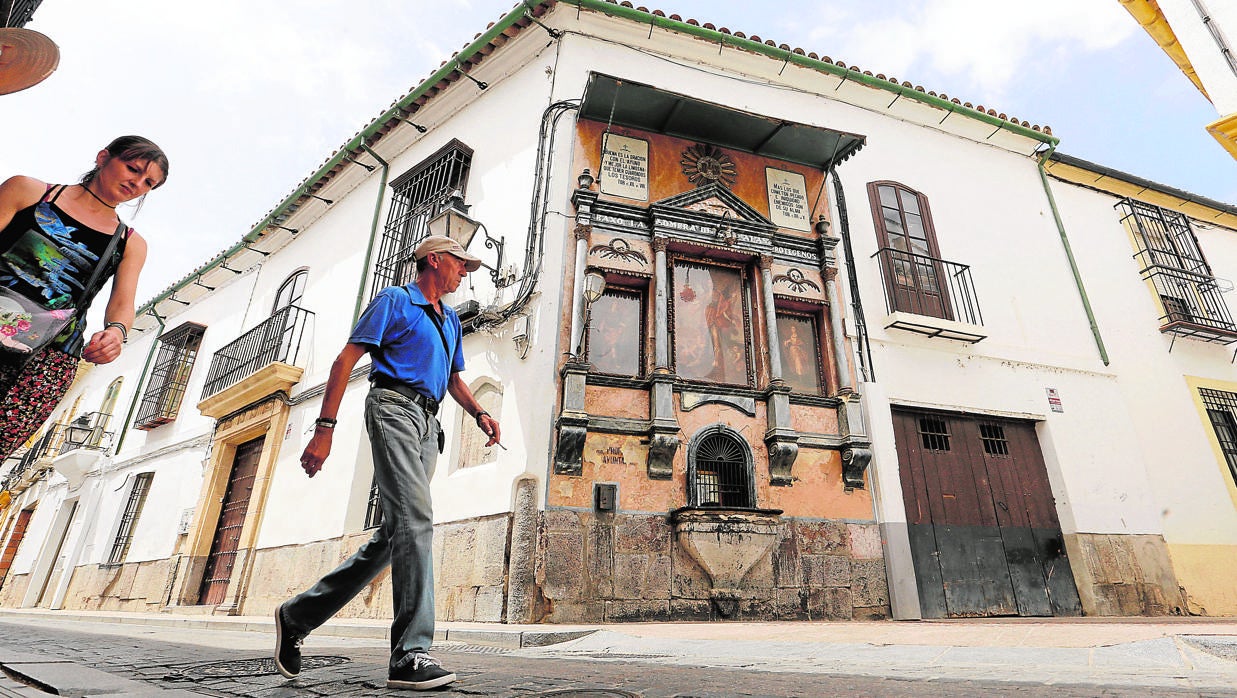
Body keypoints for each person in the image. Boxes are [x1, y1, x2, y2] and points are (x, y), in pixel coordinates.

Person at [275, 235, 501, 691]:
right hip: (392, 407)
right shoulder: (396, 300)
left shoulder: (451, 319)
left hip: (427, 423)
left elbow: (453, 378)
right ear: (434, 260)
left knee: (393, 535)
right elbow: (345, 359)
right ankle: (410, 654)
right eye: (460, 264)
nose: (464, 273)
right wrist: (324, 429)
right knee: (417, 519)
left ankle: (297, 615)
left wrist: (479, 412)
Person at [0, 136, 169, 462]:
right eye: (132, 169)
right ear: (103, 157)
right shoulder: (27, 191)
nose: (137, 184)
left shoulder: (130, 242)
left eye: (149, 183)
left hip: (49, 357)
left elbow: (122, 304)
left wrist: (116, 333)